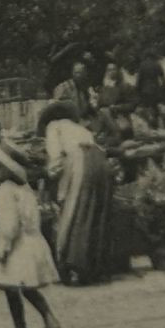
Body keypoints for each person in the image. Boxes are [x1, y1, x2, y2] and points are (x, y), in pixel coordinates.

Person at [0, 142, 63, 328]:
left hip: (17, 246)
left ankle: (46, 321)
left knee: (17, 286)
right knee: (17, 287)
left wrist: (3, 250)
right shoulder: (25, 188)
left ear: (6, 167)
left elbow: (9, 226)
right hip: (32, 242)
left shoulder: (5, 191)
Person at [39, 100, 113, 285]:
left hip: (81, 163)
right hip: (100, 162)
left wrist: (49, 173)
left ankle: (72, 266)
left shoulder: (53, 127)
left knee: (75, 212)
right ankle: (95, 267)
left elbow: (56, 158)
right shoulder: (81, 129)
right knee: (95, 212)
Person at [134, 56, 165, 125]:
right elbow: (163, 79)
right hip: (155, 90)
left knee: (146, 108)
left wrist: (137, 90)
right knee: (155, 107)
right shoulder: (157, 65)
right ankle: (155, 123)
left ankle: (148, 123)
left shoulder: (142, 65)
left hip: (145, 90)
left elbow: (139, 79)